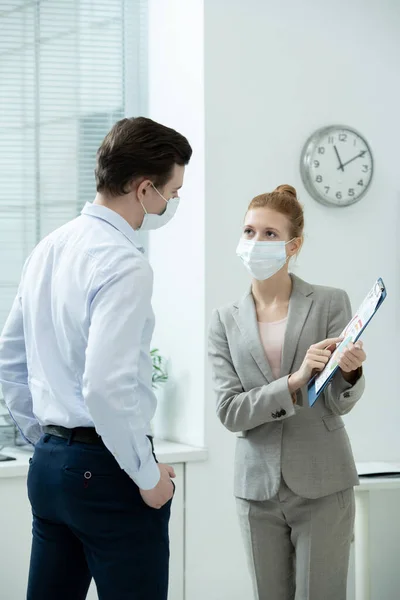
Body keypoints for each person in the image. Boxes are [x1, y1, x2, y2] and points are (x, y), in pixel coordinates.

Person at [0, 117, 192, 600]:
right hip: (105, 473)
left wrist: (51, 443)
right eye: (172, 192)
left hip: (49, 468)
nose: (171, 205)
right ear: (144, 188)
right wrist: (147, 477)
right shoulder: (124, 262)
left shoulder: (48, 248)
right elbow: (106, 388)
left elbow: (9, 361)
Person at [208, 184, 366, 600]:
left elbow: (336, 402)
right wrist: (293, 382)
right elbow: (229, 412)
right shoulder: (224, 320)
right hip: (256, 488)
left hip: (323, 480)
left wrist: (350, 374)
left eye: (269, 234)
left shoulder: (330, 303)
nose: (255, 242)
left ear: (292, 246)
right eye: (248, 231)